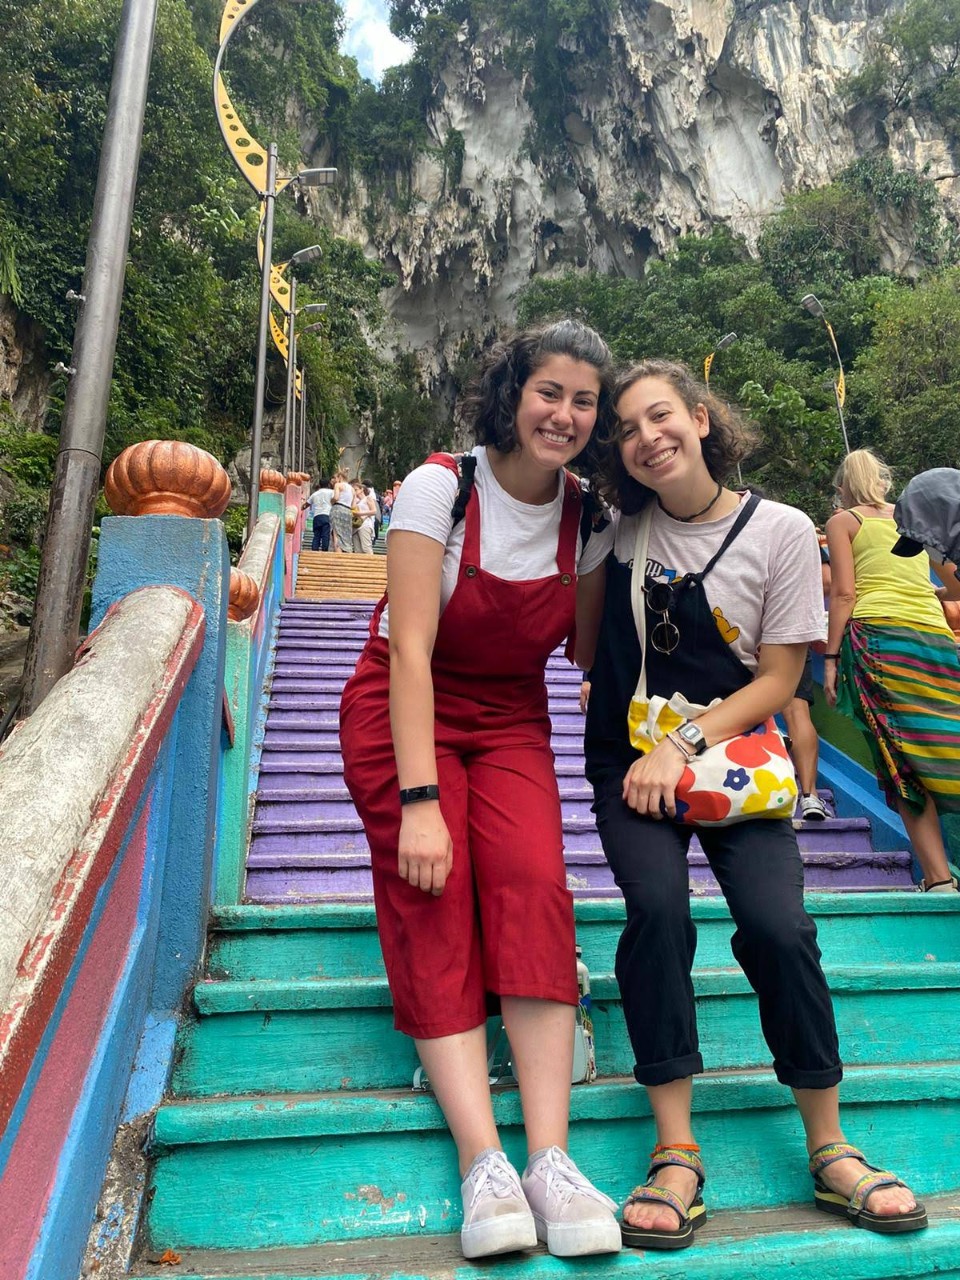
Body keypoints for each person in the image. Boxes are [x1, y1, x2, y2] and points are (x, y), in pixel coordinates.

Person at [574, 360, 925, 1251]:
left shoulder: (779, 529)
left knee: (779, 927)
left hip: (731, 761)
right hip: (631, 767)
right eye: (625, 428)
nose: (646, 437)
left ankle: (830, 1142)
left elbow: (780, 677)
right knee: (656, 913)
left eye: (660, 417)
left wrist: (683, 745)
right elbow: (581, 648)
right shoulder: (614, 537)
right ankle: (676, 1148)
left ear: (699, 418)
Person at [339, 320, 622, 1261]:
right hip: (403, 706)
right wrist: (421, 801)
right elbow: (408, 647)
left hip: (509, 717)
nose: (566, 415)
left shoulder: (588, 515)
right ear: (512, 392)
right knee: (436, 890)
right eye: (550, 392)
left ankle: (550, 1156)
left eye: (585, 401)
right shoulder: (442, 487)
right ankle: (484, 1161)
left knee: (535, 886)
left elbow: (583, 650)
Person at [825, 449, 960, 893]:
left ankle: (939, 880)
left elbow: (844, 594)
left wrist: (829, 659)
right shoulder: (913, 519)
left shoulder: (844, 522)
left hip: (879, 638)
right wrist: (928, 594)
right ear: (882, 481)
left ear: (844, 486)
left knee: (898, 757)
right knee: (947, 739)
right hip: (935, 641)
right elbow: (955, 583)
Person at [783, 536, 833, 821]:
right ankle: (810, 796)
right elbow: (827, 582)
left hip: (740, 629)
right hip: (791, 628)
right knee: (797, 710)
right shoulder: (798, 532)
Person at [305, 476, 334, 551]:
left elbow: (306, 505)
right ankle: (324, 551)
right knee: (325, 535)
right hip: (327, 515)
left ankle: (314, 550)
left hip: (317, 516)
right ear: (328, 484)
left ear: (320, 485)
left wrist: (301, 507)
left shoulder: (315, 494)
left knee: (316, 535)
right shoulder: (332, 492)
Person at [352, 480, 377, 554]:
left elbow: (374, 511)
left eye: (356, 489)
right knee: (357, 549)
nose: (355, 491)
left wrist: (361, 514)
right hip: (356, 526)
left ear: (361, 489)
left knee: (366, 547)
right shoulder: (356, 501)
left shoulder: (368, 498)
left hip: (365, 524)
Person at [331, 470, 354, 552]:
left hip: (338, 509)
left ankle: (338, 554)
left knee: (336, 533)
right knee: (346, 535)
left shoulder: (338, 485)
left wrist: (332, 500)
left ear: (340, 477)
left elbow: (336, 497)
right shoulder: (352, 489)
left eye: (335, 478)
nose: (335, 480)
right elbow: (353, 505)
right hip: (348, 511)